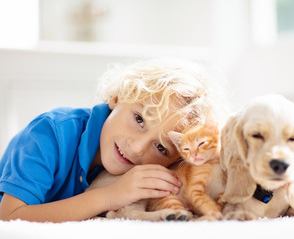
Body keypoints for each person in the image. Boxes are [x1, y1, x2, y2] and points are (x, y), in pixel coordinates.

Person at [0, 59, 217, 222]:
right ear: (118, 97)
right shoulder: (49, 133)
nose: (137, 147)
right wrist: (107, 196)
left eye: (161, 147)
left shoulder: (147, 174)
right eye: (139, 119)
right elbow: (9, 217)